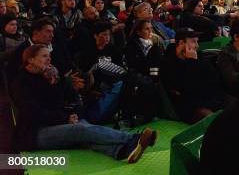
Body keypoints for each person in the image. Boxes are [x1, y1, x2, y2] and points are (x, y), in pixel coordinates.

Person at [11, 44, 157, 163]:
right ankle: (133, 138)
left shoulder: (51, 77)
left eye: (49, 56)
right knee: (82, 130)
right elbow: (33, 113)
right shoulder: (21, 83)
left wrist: (70, 111)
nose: (49, 59)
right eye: (44, 56)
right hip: (35, 133)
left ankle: (120, 151)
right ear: (30, 59)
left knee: (86, 133)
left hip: (57, 122)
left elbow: (68, 100)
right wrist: (64, 118)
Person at [162, 28, 224, 123]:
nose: (197, 46)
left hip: (210, 99)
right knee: (213, 120)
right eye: (194, 42)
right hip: (189, 107)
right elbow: (187, 88)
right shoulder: (169, 61)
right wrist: (192, 62)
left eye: (197, 42)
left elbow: (214, 78)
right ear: (182, 43)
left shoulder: (198, 56)